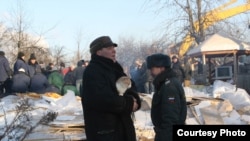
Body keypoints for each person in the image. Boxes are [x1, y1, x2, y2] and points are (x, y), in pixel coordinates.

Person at [81, 36, 141, 141]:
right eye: (109, 48)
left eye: (113, 48)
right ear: (98, 52)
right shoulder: (93, 71)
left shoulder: (115, 68)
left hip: (122, 128)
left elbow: (130, 86)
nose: (114, 51)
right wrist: (129, 104)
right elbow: (102, 99)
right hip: (105, 132)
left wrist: (134, 98)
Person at [146, 53, 187, 141]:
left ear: (161, 68)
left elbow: (170, 119)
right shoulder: (165, 84)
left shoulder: (169, 87)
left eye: (152, 69)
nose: (151, 72)